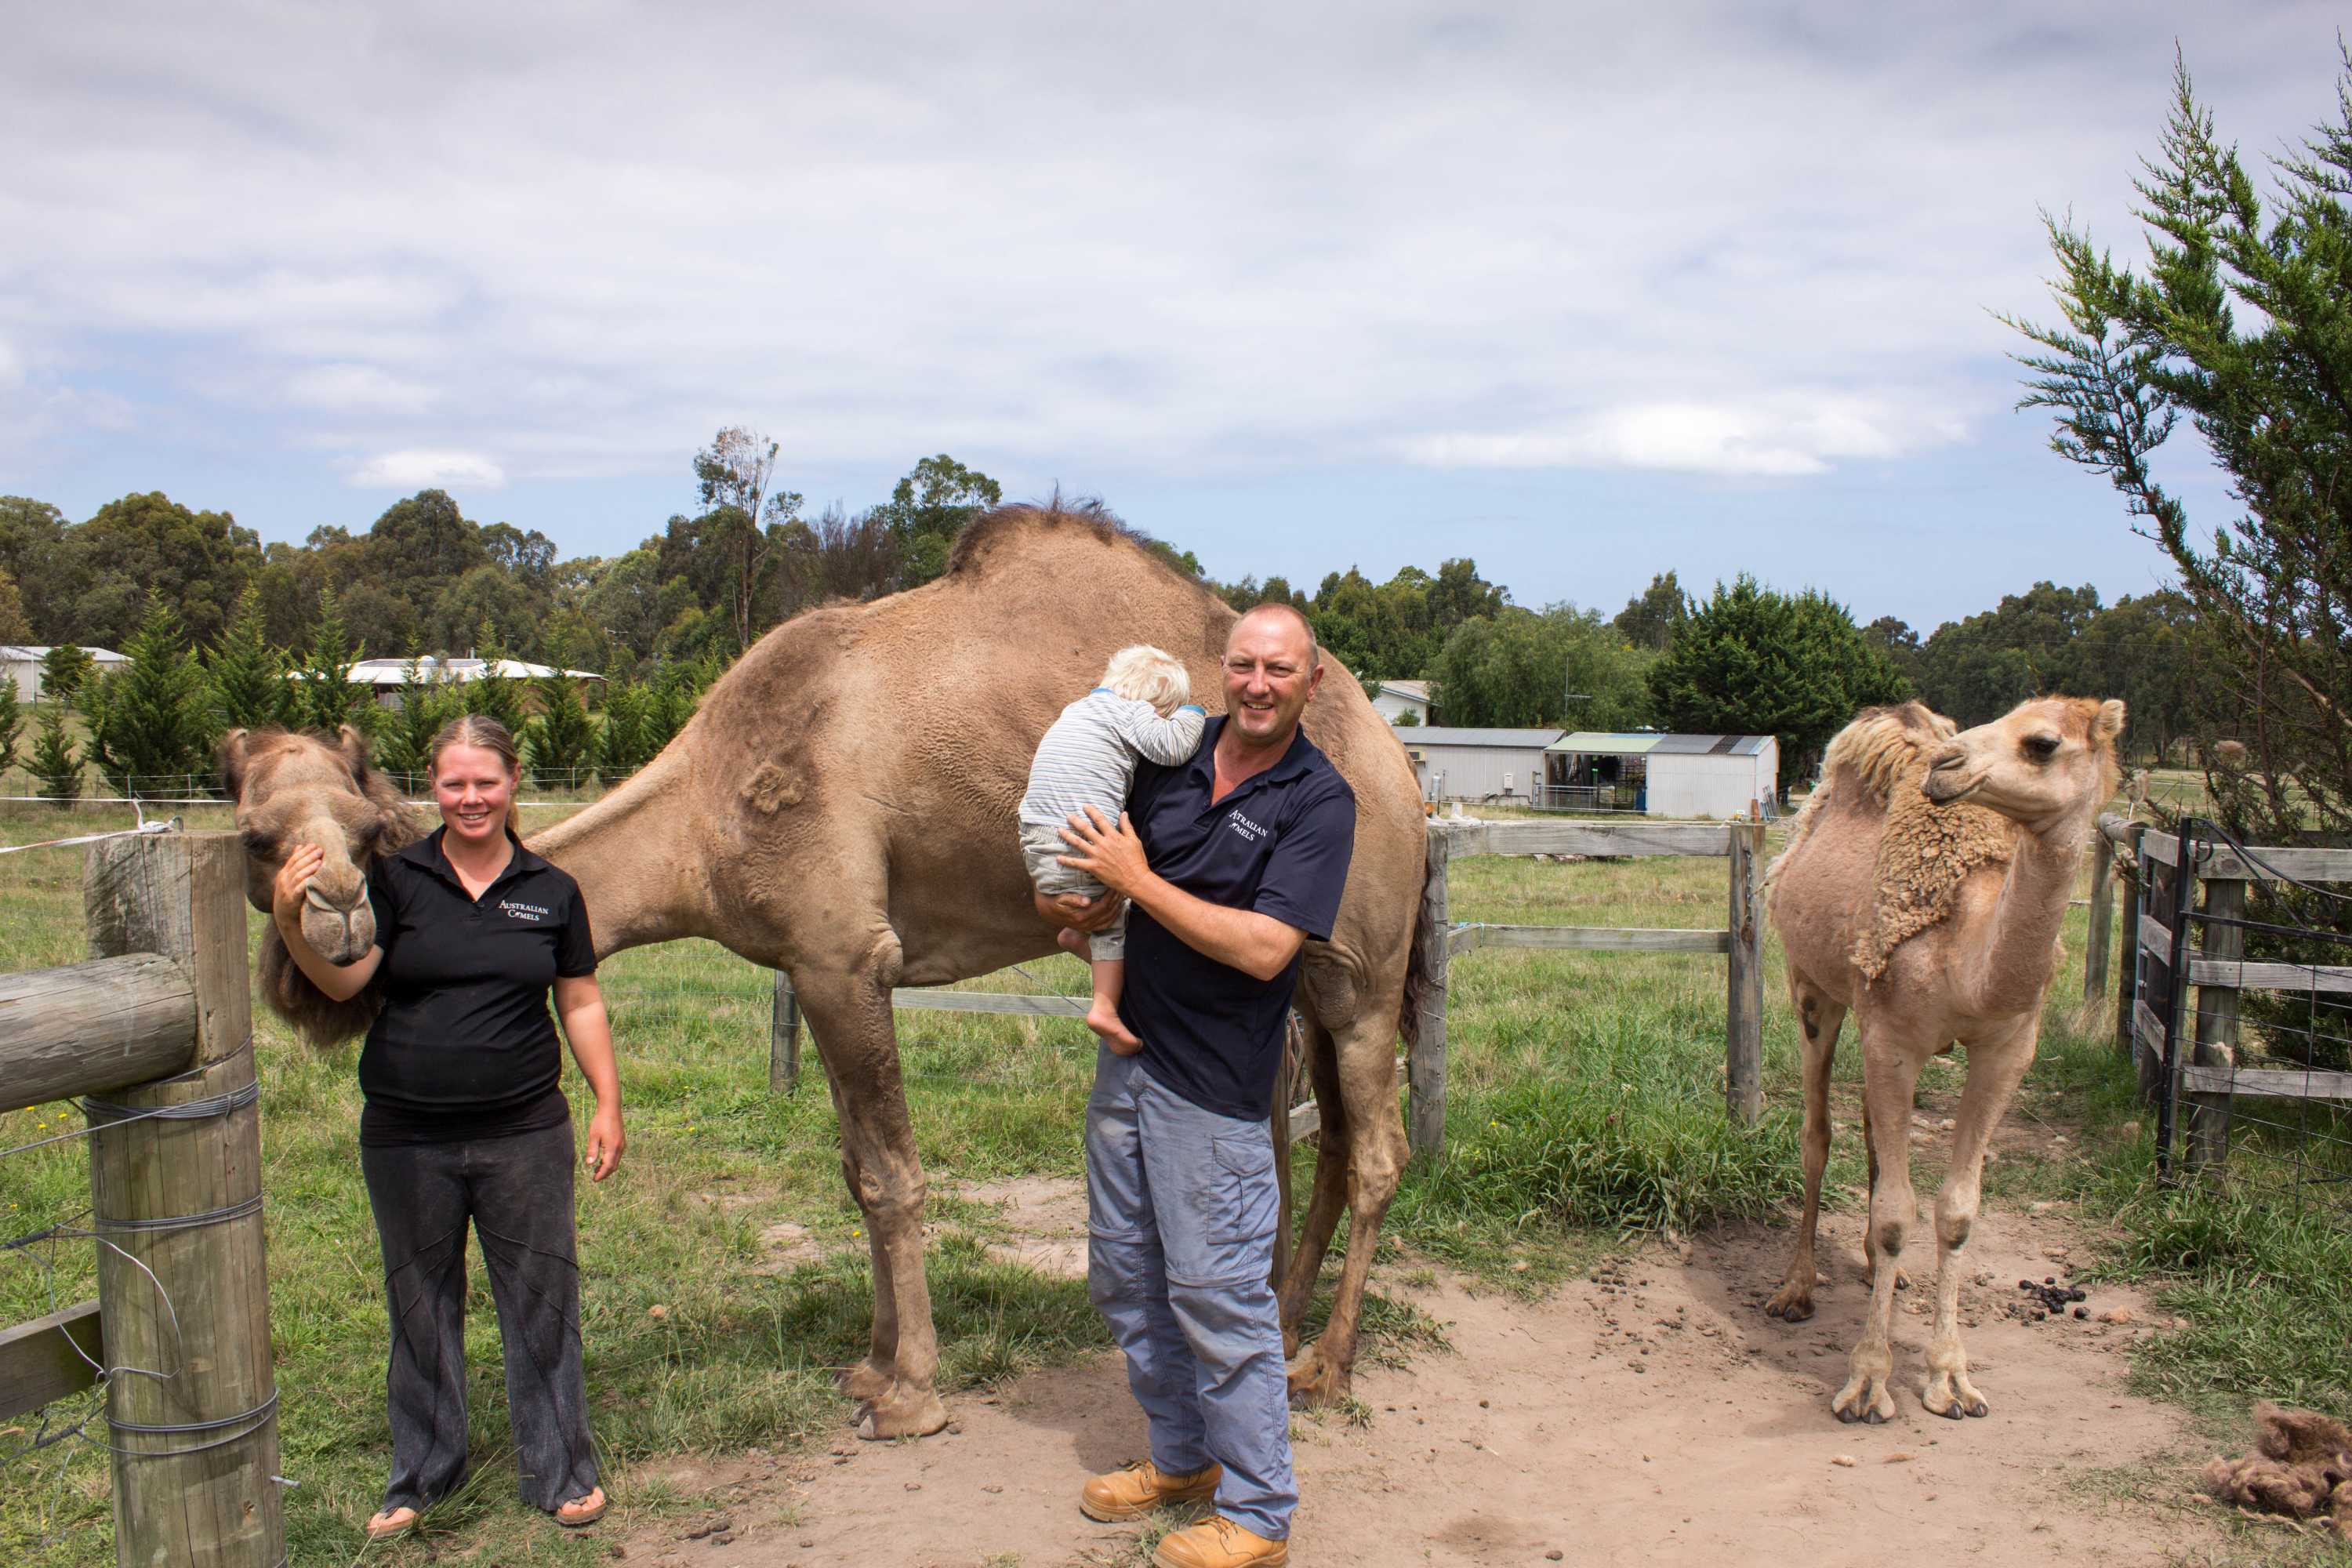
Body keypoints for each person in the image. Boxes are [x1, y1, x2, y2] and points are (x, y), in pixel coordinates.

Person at [1044, 604, 1356, 1568]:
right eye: (1244, 665)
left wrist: (1136, 884)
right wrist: (1087, 905)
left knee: (1220, 1295)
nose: (1258, 683)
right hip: (1128, 1057)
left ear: (1312, 683)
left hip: (1214, 1089)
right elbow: (1106, 867)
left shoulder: (1318, 799)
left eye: (1280, 669)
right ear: (1223, 670)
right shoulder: (1170, 752)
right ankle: (1181, 1459)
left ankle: (1260, 1513)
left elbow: (1267, 950)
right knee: (1127, 1275)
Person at [271, 714, 622, 1541]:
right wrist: (292, 921)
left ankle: (561, 1468)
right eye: (455, 782)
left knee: (542, 1298)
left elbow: (579, 996)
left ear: (513, 781)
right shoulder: (395, 879)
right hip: (407, 1133)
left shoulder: (551, 888)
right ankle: (423, 1475)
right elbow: (347, 975)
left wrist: (608, 1100)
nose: (471, 797)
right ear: (433, 785)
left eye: (486, 781)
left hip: (526, 1130)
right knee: (420, 1305)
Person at [1018, 644, 1207, 1051]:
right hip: (1080, 840)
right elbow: (1173, 748)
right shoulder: (1133, 713)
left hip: (1036, 838)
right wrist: (1193, 715)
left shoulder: (1076, 710)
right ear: (1156, 702)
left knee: (1097, 911)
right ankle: (1104, 1008)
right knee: (1116, 920)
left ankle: (1073, 935)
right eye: (1167, 711)